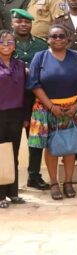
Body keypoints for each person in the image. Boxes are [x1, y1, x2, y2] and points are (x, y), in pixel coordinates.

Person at [27, 24, 77, 200]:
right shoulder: (40, 57)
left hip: (73, 109)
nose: (58, 39)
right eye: (54, 36)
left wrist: (76, 105)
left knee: (70, 145)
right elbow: (34, 84)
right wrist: (51, 106)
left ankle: (68, 182)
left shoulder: (76, 57)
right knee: (52, 146)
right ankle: (54, 183)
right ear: (47, 39)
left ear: (67, 39)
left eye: (61, 36)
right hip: (48, 109)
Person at [11, 9, 50, 190]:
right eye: (19, 21)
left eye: (27, 22)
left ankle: (34, 176)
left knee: (36, 138)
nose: (23, 25)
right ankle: (9, 180)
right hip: (11, 100)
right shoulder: (6, 42)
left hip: (35, 99)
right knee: (10, 142)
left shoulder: (41, 45)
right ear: (12, 23)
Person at [0, 29, 27, 208]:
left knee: (13, 154)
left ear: (15, 46)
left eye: (10, 41)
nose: (6, 45)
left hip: (16, 114)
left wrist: (25, 116)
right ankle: (1, 195)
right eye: (2, 41)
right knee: (0, 154)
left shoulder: (20, 65)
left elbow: (26, 92)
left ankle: (13, 193)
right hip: (0, 114)